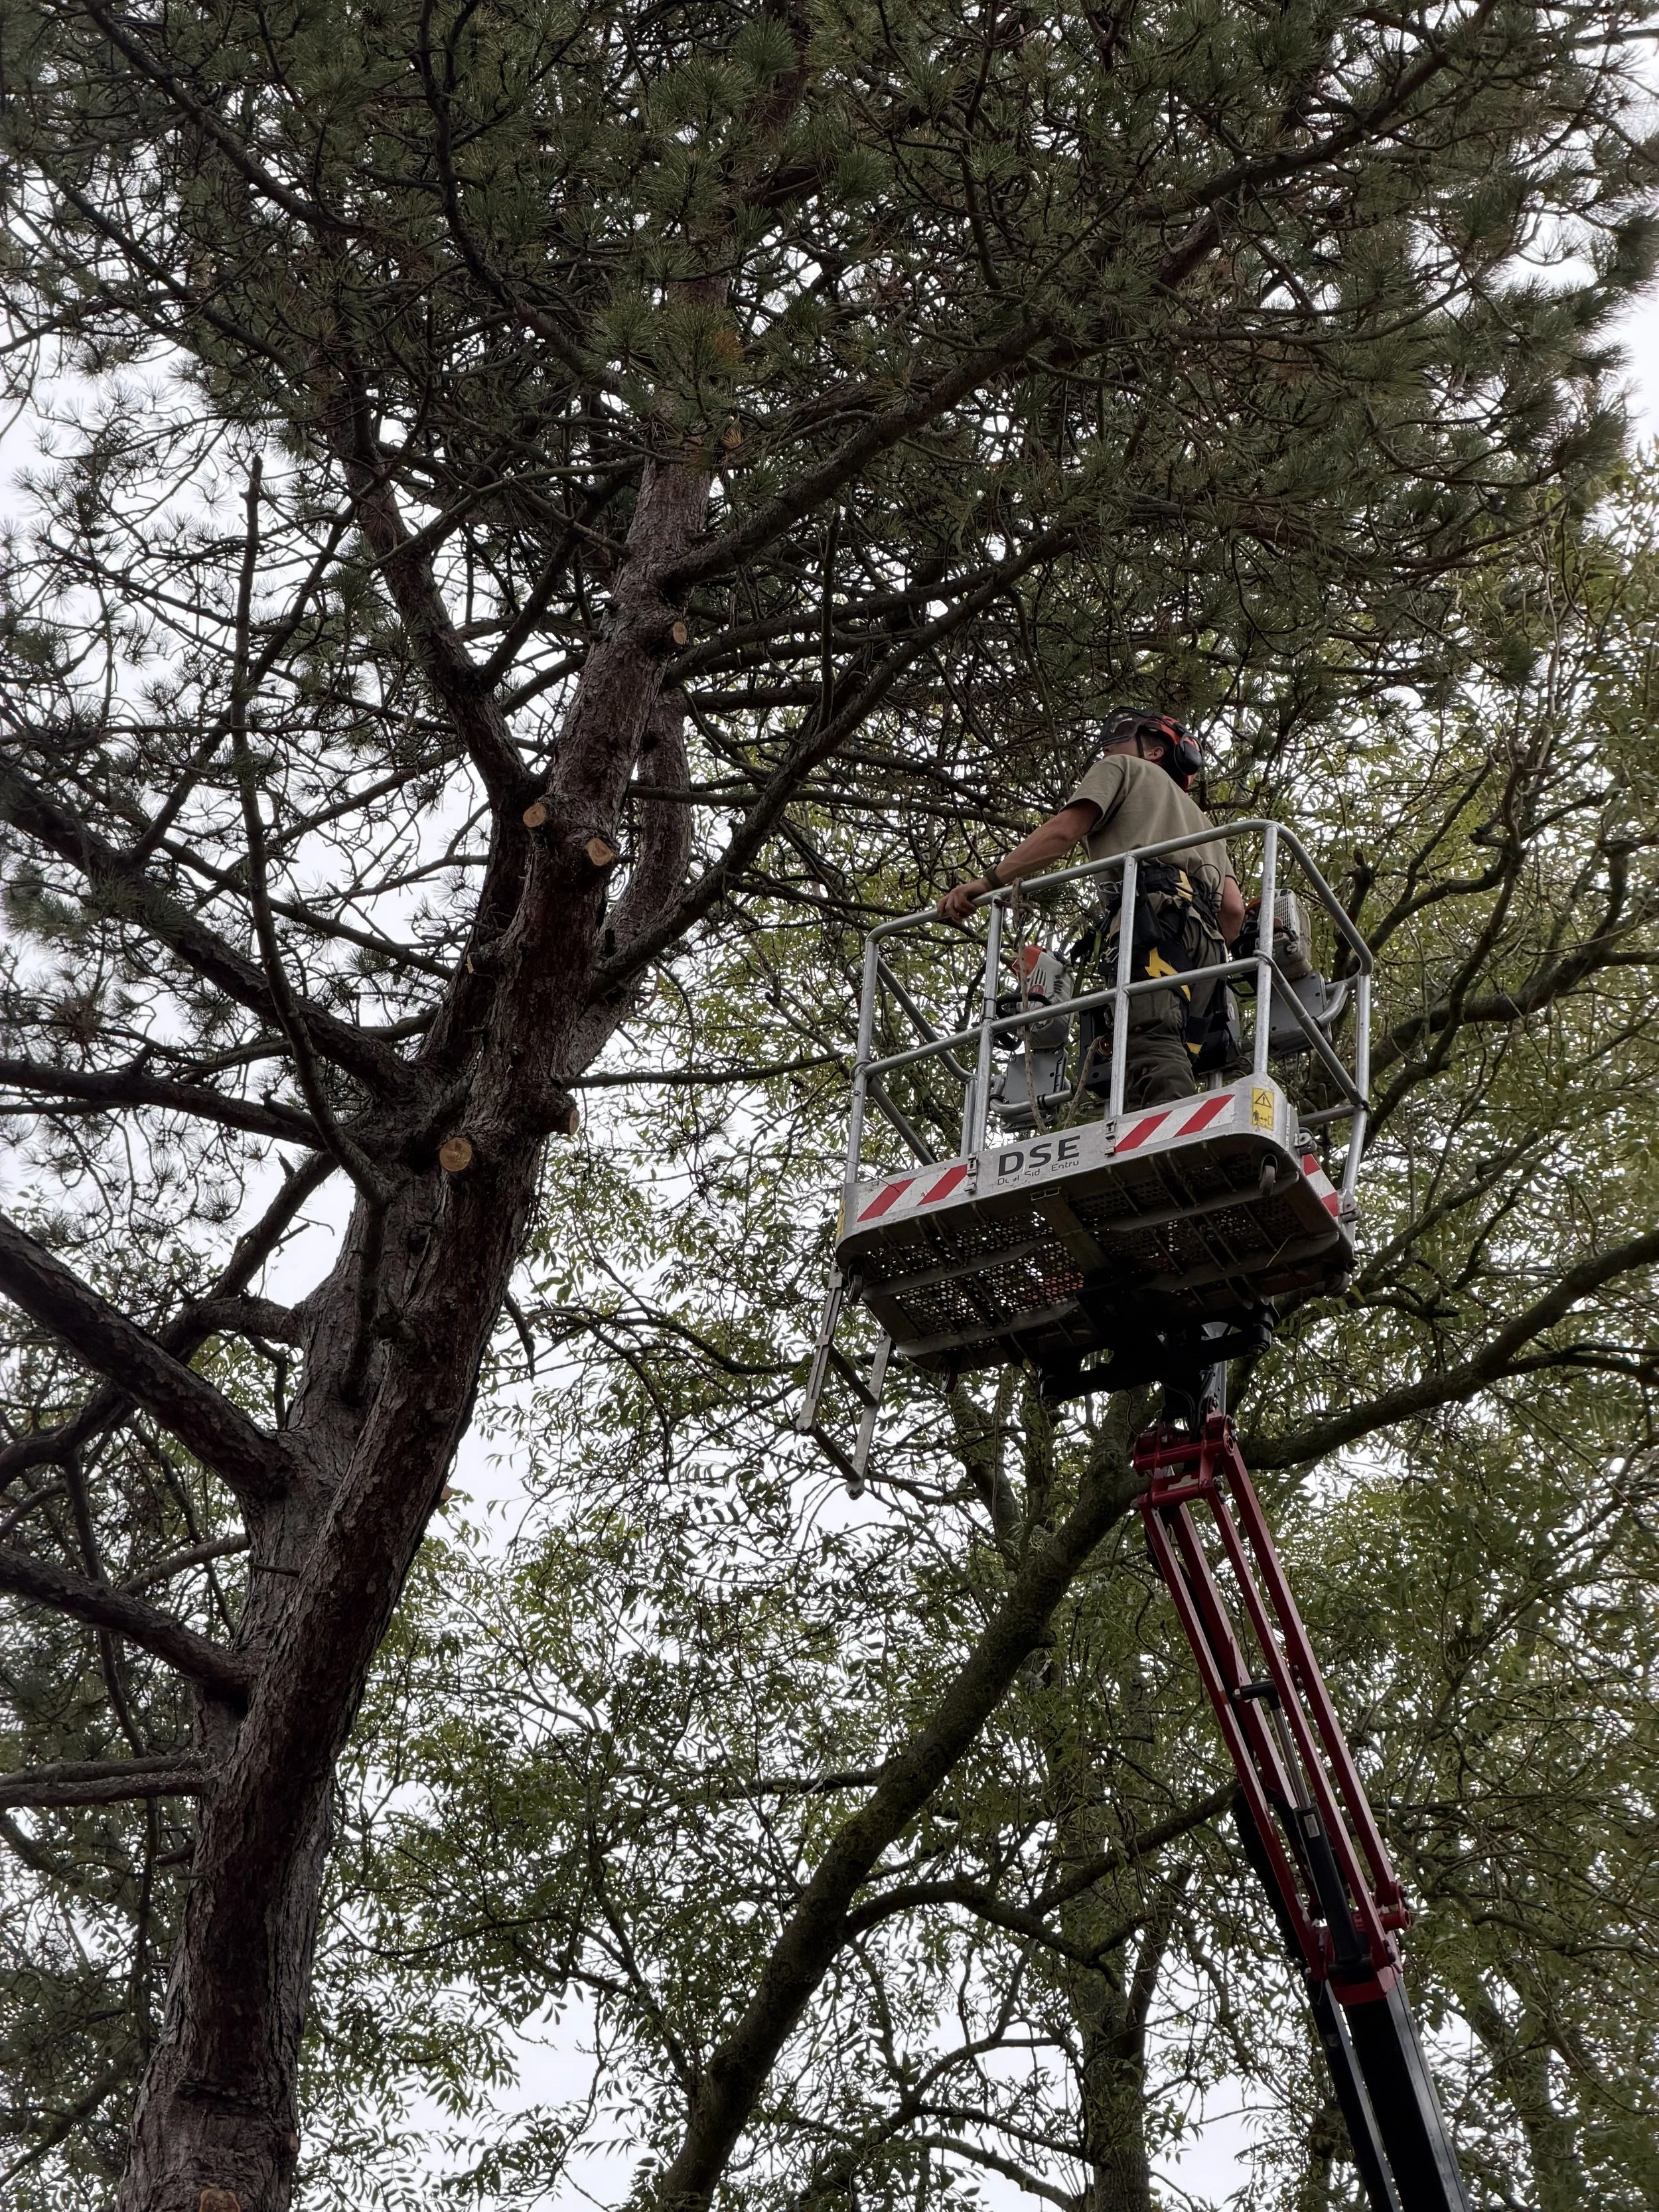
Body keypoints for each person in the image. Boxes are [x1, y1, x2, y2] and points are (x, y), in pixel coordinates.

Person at [938, 710, 1246, 1108]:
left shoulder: (1123, 769)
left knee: (1148, 1041)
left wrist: (987, 883)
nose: (1109, 744)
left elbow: (1064, 831)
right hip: (1207, 945)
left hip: (1151, 922)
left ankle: (1166, 1149)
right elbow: (1234, 912)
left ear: (1154, 751)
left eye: (1122, 734)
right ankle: (1157, 1144)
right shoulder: (1205, 824)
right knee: (1173, 1049)